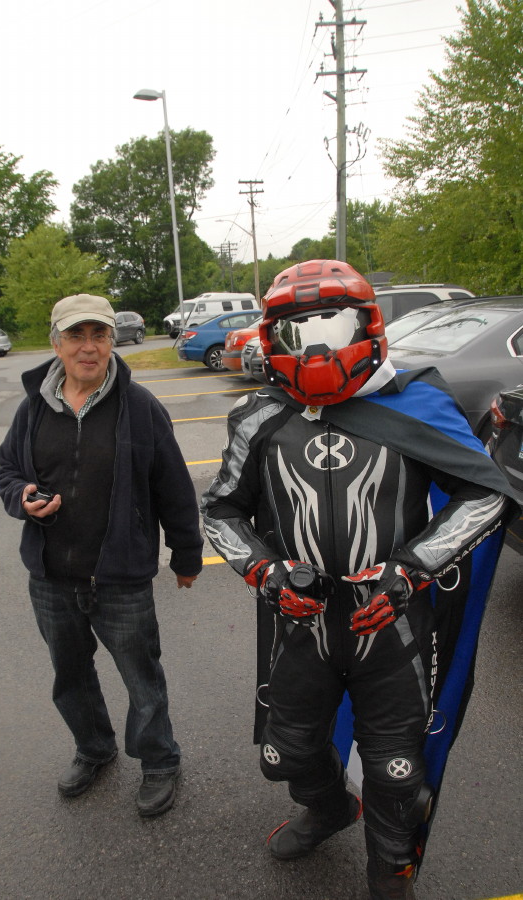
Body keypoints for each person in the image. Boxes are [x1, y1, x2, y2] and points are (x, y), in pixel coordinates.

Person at [200, 261, 516, 899]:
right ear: (271, 338)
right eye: (296, 332)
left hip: (393, 624)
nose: (316, 347)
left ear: (367, 326)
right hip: (301, 621)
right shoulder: (258, 414)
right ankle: (329, 808)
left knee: (398, 775)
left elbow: (486, 494)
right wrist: (265, 571)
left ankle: (390, 873)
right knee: (284, 753)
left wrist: (412, 567)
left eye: (335, 325)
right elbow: (220, 510)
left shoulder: (417, 398)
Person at [0, 294, 202, 816]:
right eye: (76, 336)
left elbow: (174, 488)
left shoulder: (141, 408)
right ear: (56, 343)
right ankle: (94, 748)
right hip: (50, 575)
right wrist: (21, 497)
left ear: (113, 340)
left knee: (141, 676)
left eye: (100, 335)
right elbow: (7, 472)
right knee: (70, 672)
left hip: (121, 577)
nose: (89, 347)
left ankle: (159, 761)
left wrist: (186, 556)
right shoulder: (33, 407)